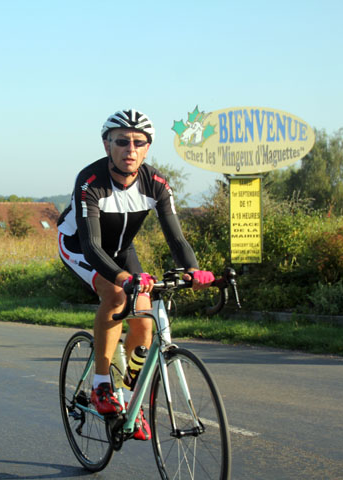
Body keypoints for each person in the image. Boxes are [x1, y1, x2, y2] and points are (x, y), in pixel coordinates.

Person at [57, 109, 214, 441]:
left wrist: (193, 269)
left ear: (147, 148)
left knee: (144, 318)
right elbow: (91, 245)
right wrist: (123, 279)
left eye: (139, 143)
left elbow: (176, 237)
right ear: (106, 145)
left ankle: (128, 398)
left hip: (122, 249)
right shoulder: (91, 181)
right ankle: (101, 384)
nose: (130, 149)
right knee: (116, 295)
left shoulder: (155, 183)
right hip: (80, 247)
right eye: (122, 142)